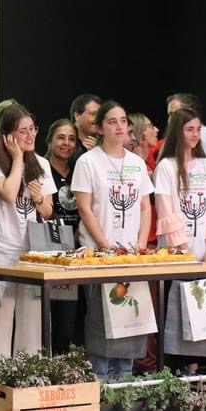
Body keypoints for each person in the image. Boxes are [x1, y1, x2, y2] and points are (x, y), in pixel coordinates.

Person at [73, 101, 153, 377]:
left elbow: (145, 206)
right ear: (99, 128)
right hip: (99, 254)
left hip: (131, 255)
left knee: (130, 319)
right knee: (102, 320)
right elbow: (84, 208)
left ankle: (125, 381)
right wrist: (105, 246)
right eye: (112, 121)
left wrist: (141, 243)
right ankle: (101, 380)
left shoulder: (137, 163)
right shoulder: (88, 162)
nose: (119, 127)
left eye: (123, 121)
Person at [0, 103, 55, 361]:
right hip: (2, 249)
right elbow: (8, 193)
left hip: (32, 252)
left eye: (32, 129)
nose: (30, 135)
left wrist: (38, 200)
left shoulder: (43, 163)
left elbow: (48, 211)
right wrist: (17, 160)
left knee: (32, 317)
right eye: (22, 131)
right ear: (7, 136)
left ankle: (29, 373)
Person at [154, 109, 206, 367]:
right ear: (177, 132)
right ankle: (174, 369)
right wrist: (184, 250)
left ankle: (196, 369)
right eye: (189, 129)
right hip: (177, 254)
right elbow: (166, 211)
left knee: (202, 310)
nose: (195, 135)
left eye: (198, 129)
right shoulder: (166, 167)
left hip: (205, 252)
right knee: (176, 312)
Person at [43, 119, 83, 353]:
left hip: (77, 251)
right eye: (60, 137)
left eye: (71, 139)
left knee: (70, 316)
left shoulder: (81, 169)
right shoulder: (41, 168)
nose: (66, 143)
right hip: (49, 250)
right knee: (50, 313)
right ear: (49, 140)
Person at [166, 93, 206, 170]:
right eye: (169, 115)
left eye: (173, 114)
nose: (169, 120)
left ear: (190, 112)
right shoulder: (169, 140)